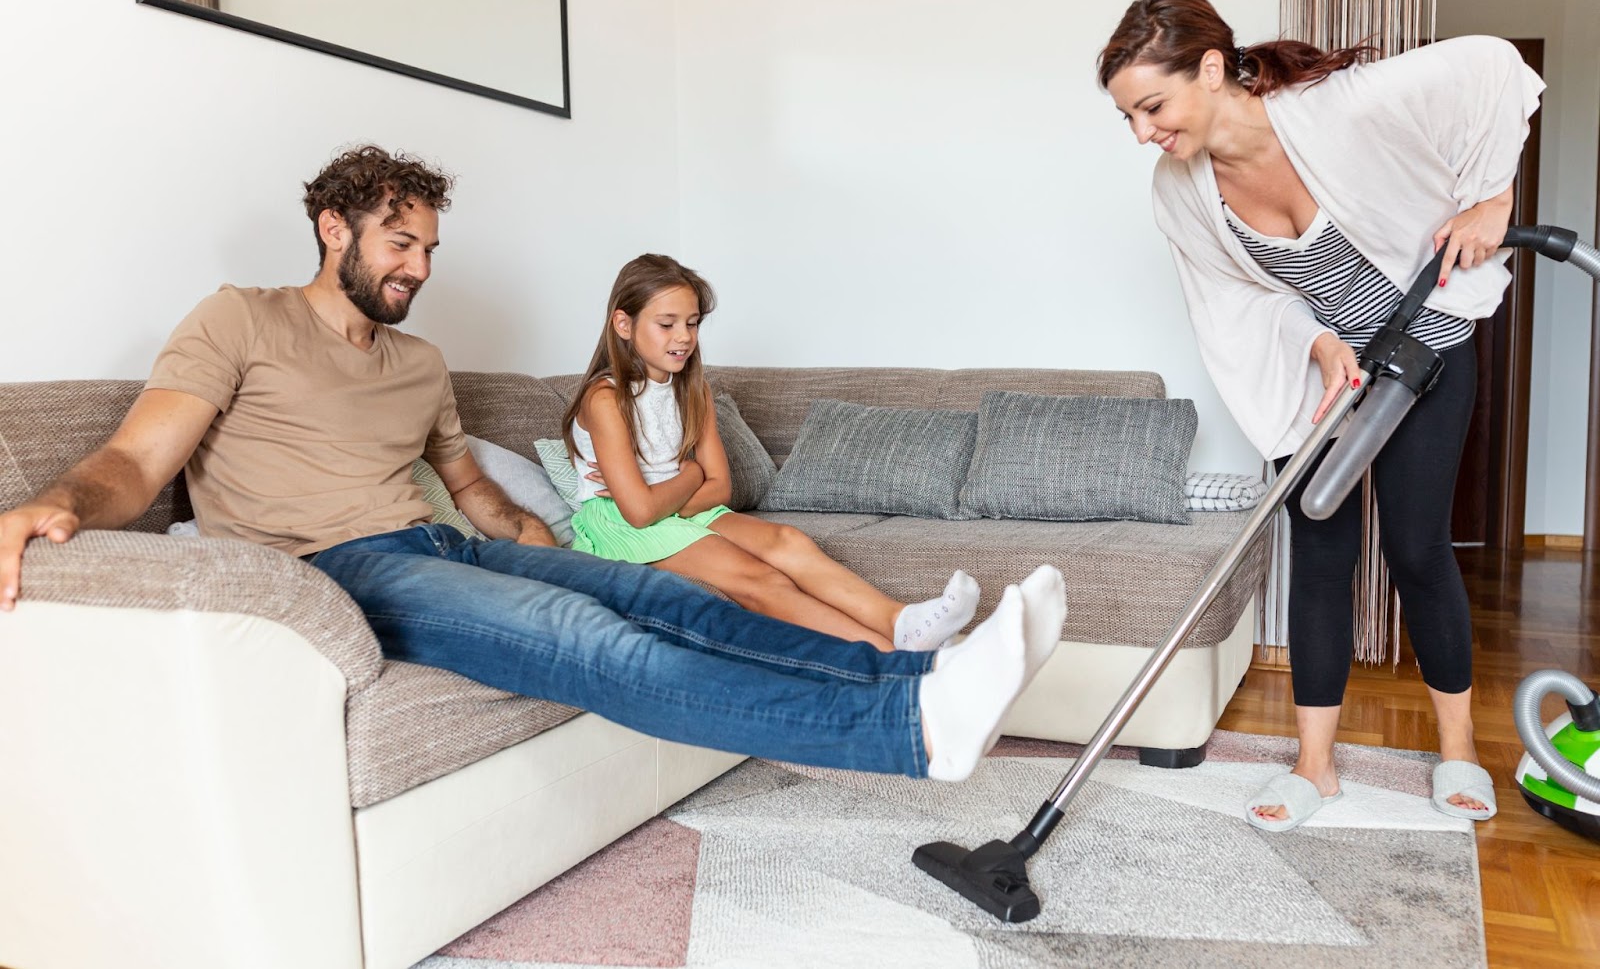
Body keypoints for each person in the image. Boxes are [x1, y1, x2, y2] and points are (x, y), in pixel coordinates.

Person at [0, 144, 1069, 783]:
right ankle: (905, 730)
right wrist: (52, 502)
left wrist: (552, 542)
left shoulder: (420, 362)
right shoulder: (237, 318)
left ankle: (921, 671)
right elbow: (138, 463)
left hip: (442, 544)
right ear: (333, 230)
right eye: (396, 244)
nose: (416, 268)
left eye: (426, 249)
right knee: (592, 637)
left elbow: (471, 493)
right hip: (341, 566)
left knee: (657, 597)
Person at [1097, 0, 1543, 829]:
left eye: (1152, 106)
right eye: (1129, 118)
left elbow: (1489, 66)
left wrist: (1494, 198)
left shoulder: (1337, 110)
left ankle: (1459, 752)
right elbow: (1230, 297)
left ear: (1212, 68)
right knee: (1320, 557)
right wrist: (1313, 343)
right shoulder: (1179, 188)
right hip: (1325, 379)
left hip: (1429, 349)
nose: (1144, 133)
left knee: (1417, 549)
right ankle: (1314, 767)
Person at [561, 253, 981, 652]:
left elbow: (721, 487)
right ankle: (892, 660)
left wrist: (668, 496)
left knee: (788, 540)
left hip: (682, 509)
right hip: (621, 526)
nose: (684, 337)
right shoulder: (606, 399)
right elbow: (637, 512)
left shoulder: (694, 390)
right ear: (623, 324)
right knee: (759, 578)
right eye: (667, 324)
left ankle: (902, 623)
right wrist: (690, 475)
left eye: (691, 323)